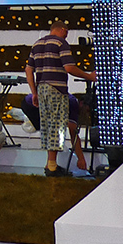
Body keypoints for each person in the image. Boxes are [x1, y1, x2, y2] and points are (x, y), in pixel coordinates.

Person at [25, 23, 95, 176]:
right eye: (67, 32)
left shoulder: (37, 44)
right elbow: (69, 67)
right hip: (56, 88)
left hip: (41, 89)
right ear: (63, 29)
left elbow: (28, 70)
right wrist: (89, 76)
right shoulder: (60, 43)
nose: (67, 36)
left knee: (48, 126)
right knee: (57, 126)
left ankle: (50, 164)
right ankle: (52, 166)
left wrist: (34, 92)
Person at [20, 92, 88, 172]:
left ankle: (50, 164)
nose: (87, 114)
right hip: (32, 105)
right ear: (81, 103)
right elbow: (73, 135)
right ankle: (51, 166)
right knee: (55, 131)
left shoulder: (72, 101)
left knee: (53, 130)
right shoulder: (73, 105)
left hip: (30, 102)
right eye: (87, 110)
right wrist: (81, 159)